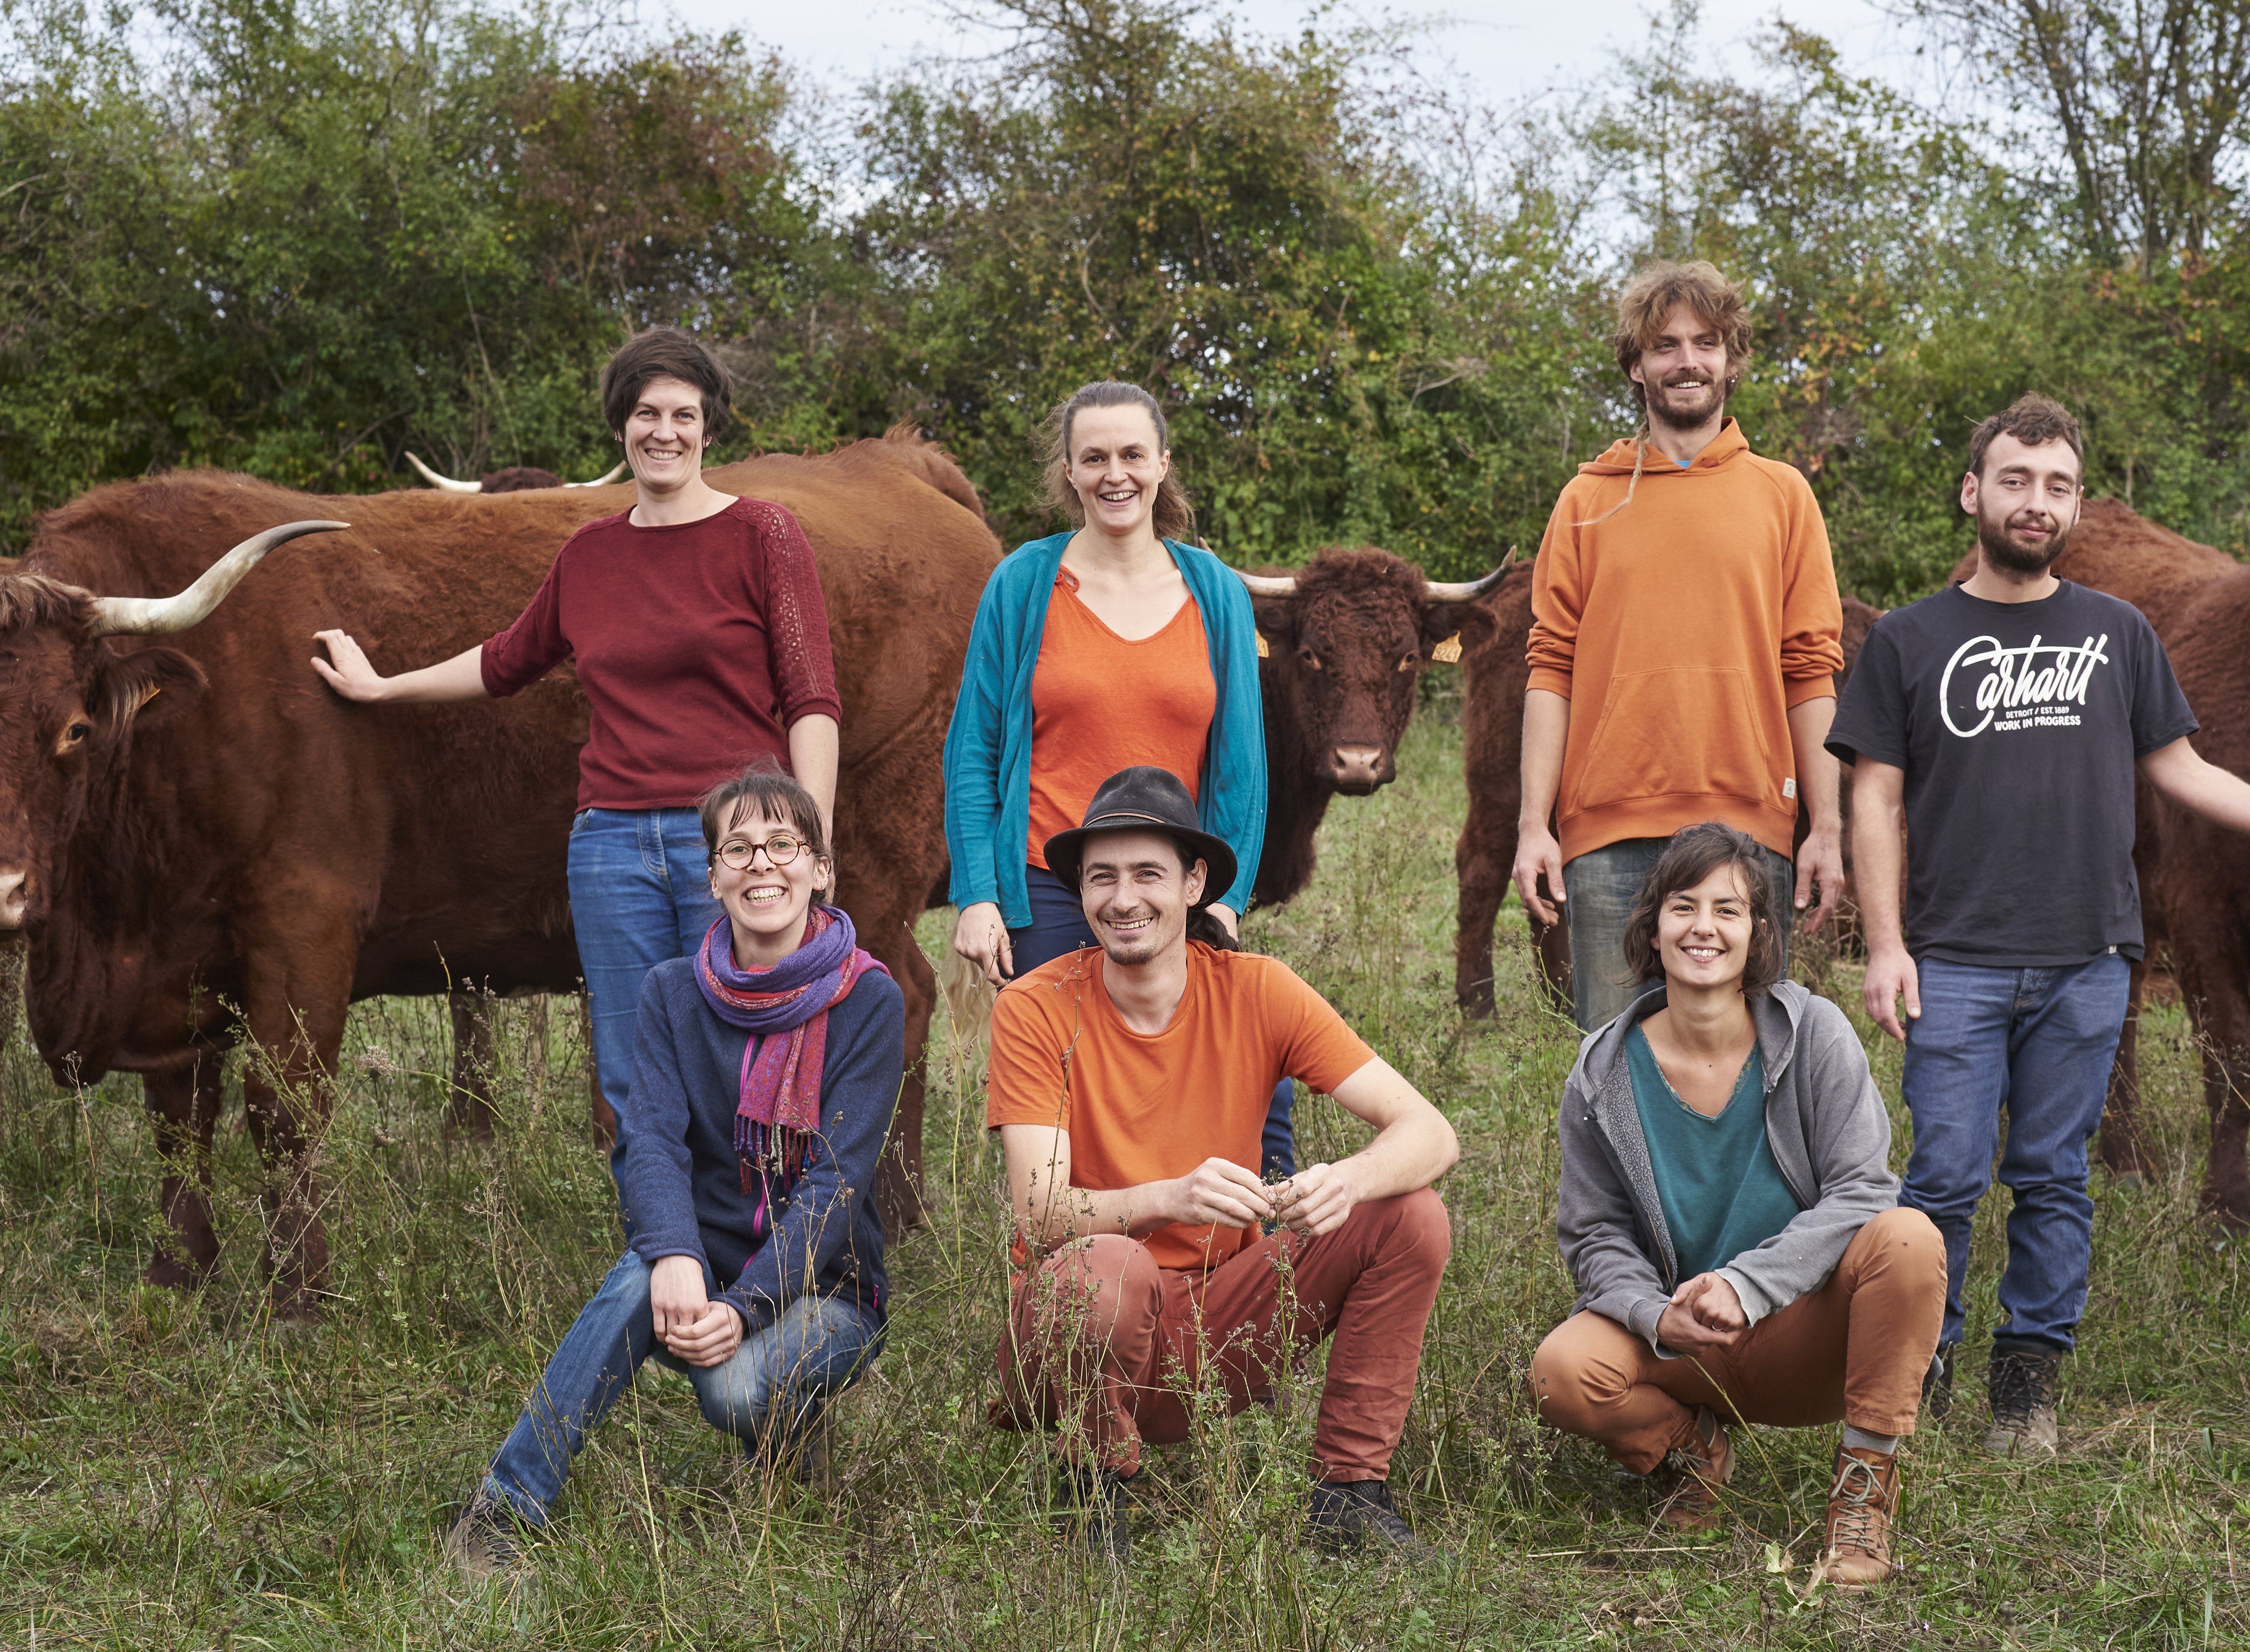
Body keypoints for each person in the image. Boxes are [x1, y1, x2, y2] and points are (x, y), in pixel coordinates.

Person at [1827, 394, 2250, 1456]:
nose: (2034, 503)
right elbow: (1871, 796)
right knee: (1943, 1177)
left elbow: (2185, 772)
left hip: (2085, 961)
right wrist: (1882, 944)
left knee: (2054, 1176)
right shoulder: (1908, 642)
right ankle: (1925, 1366)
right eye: (2014, 480)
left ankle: (2026, 1386)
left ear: (2074, 504)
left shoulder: (2118, 634)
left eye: (2056, 486)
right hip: (1952, 958)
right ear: (1973, 492)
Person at [311, 328, 841, 1192]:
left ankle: (761, 1262)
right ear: (621, 427)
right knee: (635, 1077)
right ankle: (666, 1259)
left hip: (740, 842)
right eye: (645, 414)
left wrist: (806, 845)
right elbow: (503, 662)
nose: (663, 432)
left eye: (683, 415)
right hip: (609, 849)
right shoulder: (590, 553)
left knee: (747, 1053)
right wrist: (382, 689)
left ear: (709, 430)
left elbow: (812, 696)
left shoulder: (763, 535)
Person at [984, 766, 1461, 1563]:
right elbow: (1040, 1211)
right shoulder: (1034, 1006)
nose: (1123, 899)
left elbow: (1430, 1133)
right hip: (1071, 1340)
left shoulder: (1257, 989)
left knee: (1410, 1214)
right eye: (1101, 877)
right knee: (1107, 1268)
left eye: (1148, 875)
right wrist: (1173, 1195)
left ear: (1195, 883)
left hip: (1213, 1338)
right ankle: (1094, 1488)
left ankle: (1348, 1491)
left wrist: (1344, 1182)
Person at [445, 769, 900, 1575]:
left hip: (828, 1284)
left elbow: (836, 1183)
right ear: (713, 875)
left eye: (784, 845)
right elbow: (652, 1140)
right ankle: (501, 1515)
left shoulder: (867, 997)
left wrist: (751, 1305)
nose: (762, 865)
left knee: (732, 1391)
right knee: (633, 1282)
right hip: (706, 1257)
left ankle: (790, 1425)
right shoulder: (670, 992)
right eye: (738, 849)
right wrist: (678, 1253)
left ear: (820, 869)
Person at [1530, 822, 1943, 1588]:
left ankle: (1863, 1493)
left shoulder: (1813, 1032)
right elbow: (1593, 1236)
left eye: (1729, 910)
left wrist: (1746, 1287)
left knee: (1909, 1237)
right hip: (1684, 1346)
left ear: (1759, 933)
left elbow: (1863, 1188)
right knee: (1561, 1373)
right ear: (1653, 928)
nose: (1704, 929)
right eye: (1684, 907)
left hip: (1808, 1334)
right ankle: (1694, 1448)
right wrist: (1656, 1316)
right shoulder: (1602, 1071)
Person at [942, 381, 1288, 1170]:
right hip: (1051, 878)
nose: (1115, 474)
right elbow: (972, 751)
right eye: (1094, 458)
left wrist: (1226, 899)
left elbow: (1242, 768)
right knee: (1071, 1093)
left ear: (1163, 464)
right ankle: (1072, 1273)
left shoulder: (1216, 592)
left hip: (1176, 882)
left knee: (1249, 1077)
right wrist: (977, 894)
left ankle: (1263, 1258)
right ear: (1068, 471)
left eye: (1132, 454)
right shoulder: (1024, 584)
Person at [1511, 260, 1847, 1031]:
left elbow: (1811, 671)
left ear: (1732, 360)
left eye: (1706, 343)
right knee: (1615, 1076)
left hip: (1750, 832)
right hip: (1607, 834)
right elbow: (1551, 667)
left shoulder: (1783, 495)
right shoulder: (1587, 500)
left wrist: (1823, 830)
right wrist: (1536, 824)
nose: (1687, 360)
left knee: (1749, 1070)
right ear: (1636, 365)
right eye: (1664, 345)